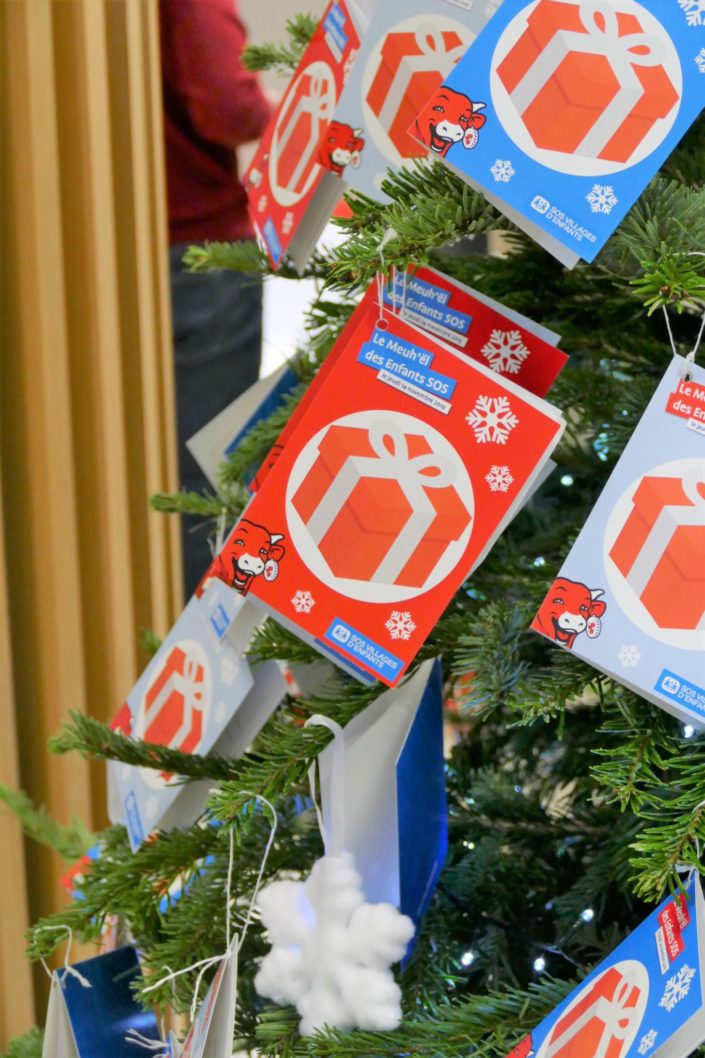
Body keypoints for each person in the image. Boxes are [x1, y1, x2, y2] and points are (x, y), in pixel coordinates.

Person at [159, 0, 272, 596]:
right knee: (208, 482)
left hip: (114, 251)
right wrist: (298, 121)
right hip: (200, 255)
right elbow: (227, 105)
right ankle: (200, 672)